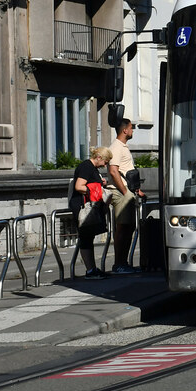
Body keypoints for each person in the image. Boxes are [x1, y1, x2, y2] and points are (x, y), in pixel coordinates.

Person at [107, 118, 145, 274]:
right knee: (123, 228)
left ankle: (123, 263)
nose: (133, 131)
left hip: (127, 191)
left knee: (128, 228)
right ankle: (119, 264)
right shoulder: (116, 147)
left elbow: (125, 171)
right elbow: (113, 170)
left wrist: (135, 190)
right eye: (131, 128)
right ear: (125, 130)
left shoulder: (123, 146)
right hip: (121, 192)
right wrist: (124, 191)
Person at [70, 147, 113, 279]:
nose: (106, 165)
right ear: (99, 157)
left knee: (88, 237)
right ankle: (90, 270)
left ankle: (92, 269)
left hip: (89, 205)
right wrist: (96, 190)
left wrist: (101, 183)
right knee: (86, 237)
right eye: (105, 162)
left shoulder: (92, 168)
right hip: (83, 206)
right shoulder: (86, 167)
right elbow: (79, 186)